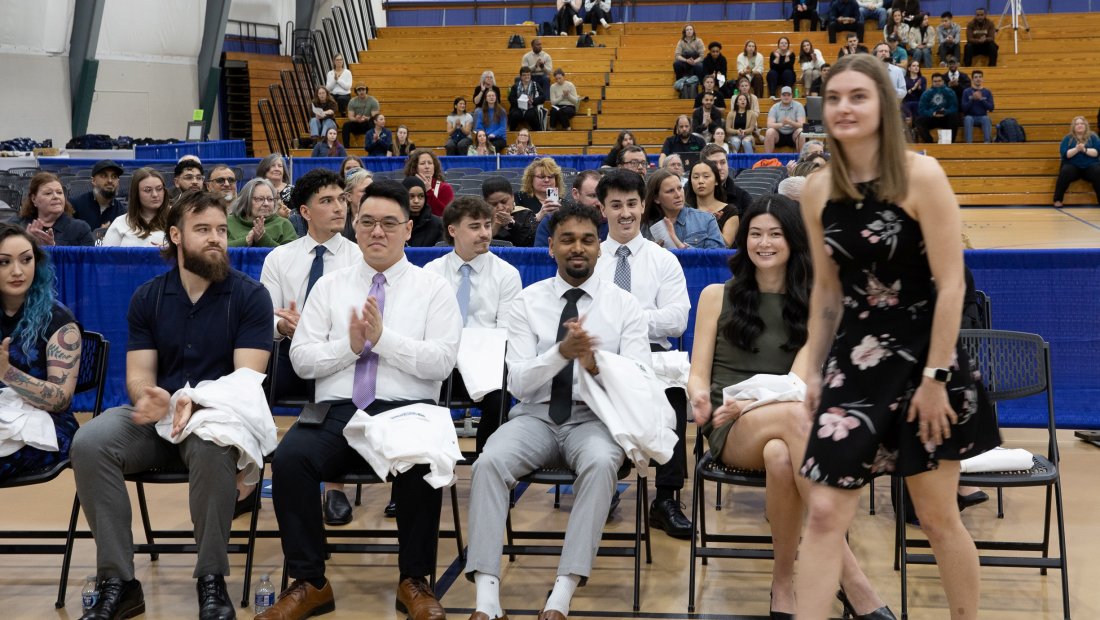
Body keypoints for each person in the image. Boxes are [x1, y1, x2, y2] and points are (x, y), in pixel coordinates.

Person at [795, 52, 999, 620]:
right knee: (824, 515)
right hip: (854, 361)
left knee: (936, 518)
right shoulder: (815, 190)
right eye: (833, 98)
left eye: (857, 96)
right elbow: (828, 294)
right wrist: (812, 369)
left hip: (924, 358)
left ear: (883, 105)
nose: (843, 108)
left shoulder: (921, 174)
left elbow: (953, 286)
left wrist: (935, 378)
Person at [257, 179, 461, 620]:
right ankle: (310, 581)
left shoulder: (434, 289)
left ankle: (415, 580)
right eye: (367, 222)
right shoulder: (330, 288)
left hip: (408, 410)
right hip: (337, 409)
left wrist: (383, 340)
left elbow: (442, 363)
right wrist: (348, 348)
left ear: (409, 229)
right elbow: (303, 360)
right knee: (291, 458)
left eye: (389, 223)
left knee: (422, 460)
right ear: (354, 226)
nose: (377, 232)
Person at [687, 194, 892, 619]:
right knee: (797, 420)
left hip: (779, 417)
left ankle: (783, 584)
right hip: (730, 424)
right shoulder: (714, 295)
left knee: (781, 456)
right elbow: (698, 372)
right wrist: (700, 397)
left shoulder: (817, 302)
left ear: (794, 241)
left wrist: (749, 403)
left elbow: (797, 382)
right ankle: (851, 580)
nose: (764, 243)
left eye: (775, 234)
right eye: (756, 234)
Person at [72, 190, 274, 620]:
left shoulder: (251, 296)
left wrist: (191, 401)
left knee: (211, 445)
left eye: (221, 229)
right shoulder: (148, 297)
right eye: (203, 230)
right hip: (159, 421)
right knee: (90, 442)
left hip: (217, 420)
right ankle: (120, 581)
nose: (217, 238)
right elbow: (139, 373)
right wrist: (148, 395)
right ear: (176, 236)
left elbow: (246, 380)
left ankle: (211, 579)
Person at [463, 202, 650, 620]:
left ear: (599, 248)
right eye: (567, 239)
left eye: (587, 239)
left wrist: (595, 365)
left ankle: (562, 594)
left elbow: (640, 380)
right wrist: (560, 354)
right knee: (488, 461)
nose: (577, 248)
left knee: (602, 463)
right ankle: (487, 600)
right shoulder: (527, 303)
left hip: (597, 420)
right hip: (535, 416)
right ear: (551, 247)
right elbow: (519, 384)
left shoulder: (625, 307)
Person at [592, 168, 693, 538]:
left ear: (643, 205)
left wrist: (627, 318)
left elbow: (677, 320)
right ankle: (603, 481)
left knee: (674, 396)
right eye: (615, 205)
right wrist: (631, 320)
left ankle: (665, 499)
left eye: (632, 204)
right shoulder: (591, 258)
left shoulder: (663, 260)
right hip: (602, 356)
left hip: (651, 356)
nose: (625, 213)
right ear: (602, 209)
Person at [261, 169, 363, 525]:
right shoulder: (279, 258)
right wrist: (282, 325)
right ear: (304, 212)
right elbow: (267, 315)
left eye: (342, 200)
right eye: (327, 201)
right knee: (249, 373)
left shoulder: (360, 257)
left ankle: (334, 487)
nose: (339, 208)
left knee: (335, 375)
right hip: (290, 352)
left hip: (343, 357)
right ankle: (245, 476)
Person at [424, 196, 522, 450]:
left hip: (486, 364)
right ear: (453, 230)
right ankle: (432, 458)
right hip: (442, 365)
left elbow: (506, 333)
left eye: (487, 225)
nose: (485, 233)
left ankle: (486, 461)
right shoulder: (431, 273)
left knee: (500, 392)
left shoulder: (506, 274)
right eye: (475, 226)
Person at [0, 224, 82, 483]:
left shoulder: (58, 319)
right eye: (4, 262)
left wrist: (6, 373)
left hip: (49, 424)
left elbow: (60, 400)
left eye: (26, 260)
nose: (17, 271)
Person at [642, 169, 724, 249]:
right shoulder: (644, 225)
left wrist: (679, 245)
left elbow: (717, 259)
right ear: (656, 198)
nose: (678, 195)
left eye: (680, 188)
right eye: (670, 191)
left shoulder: (706, 219)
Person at [17, 173, 94, 247]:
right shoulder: (17, 226)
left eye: (59, 192)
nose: (56, 196)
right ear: (34, 199)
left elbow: (89, 259)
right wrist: (25, 243)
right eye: (48, 193)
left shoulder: (80, 229)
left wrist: (53, 249)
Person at [533, 169, 607, 247]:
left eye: (602, 196)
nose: (599, 202)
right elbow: (540, 257)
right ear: (575, 194)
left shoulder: (612, 222)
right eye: (593, 196)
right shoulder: (551, 222)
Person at [103, 167, 169, 247]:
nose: (155, 194)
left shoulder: (176, 220)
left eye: (159, 189)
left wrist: (170, 251)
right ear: (136, 193)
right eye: (147, 190)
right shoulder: (120, 223)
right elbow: (106, 257)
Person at [227, 178, 298, 247]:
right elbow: (218, 251)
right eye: (260, 199)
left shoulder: (284, 224)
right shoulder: (228, 222)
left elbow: (291, 255)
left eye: (270, 199)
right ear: (246, 200)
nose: (266, 203)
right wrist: (245, 241)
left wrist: (263, 239)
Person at [685, 159, 737, 247]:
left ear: (716, 181)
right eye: (696, 177)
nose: (700, 181)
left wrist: (712, 222)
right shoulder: (685, 210)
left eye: (706, 176)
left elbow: (726, 245)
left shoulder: (730, 211)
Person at [1053, 116, 1100, 208]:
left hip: (1089, 166)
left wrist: (1084, 149)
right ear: (1073, 127)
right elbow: (1065, 154)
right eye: (1077, 124)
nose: (1079, 125)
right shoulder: (1067, 138)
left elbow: (1097, 153)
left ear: (1085, 125)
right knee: (1065, 171)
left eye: (1081, 124)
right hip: (1072, 166)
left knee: (1098, 171)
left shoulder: (1093, 137)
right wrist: (1077, 149)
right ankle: (1058, 199)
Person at [701, 143, 753, 223]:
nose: (719, 167)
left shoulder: (743, 198)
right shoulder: (689, 195)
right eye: (714, 163)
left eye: (723, 162)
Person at [483, 175, 538, 247]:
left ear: (512, 197)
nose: (500, 208)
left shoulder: (526, 214)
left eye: (504, 201)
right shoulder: (481, 218)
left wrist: (512, 225)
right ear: (486, 203)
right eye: (493, 204)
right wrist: (495, 227)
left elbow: (532, 243)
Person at [70, 159, 125, 230]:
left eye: (114, 177)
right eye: (104, 176)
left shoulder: (122, 212)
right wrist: (96, 236)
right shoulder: (75, 205)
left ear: (118, 182)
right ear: (93, 181)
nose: (110, 180)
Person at [515, 157, 567, 226]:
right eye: (542, 177)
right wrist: (540, 215)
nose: (546, 180)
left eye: (551, 177)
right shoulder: (519, 198)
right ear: (531, 179)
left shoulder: (564, 204)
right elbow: (516, 228)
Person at [404, 148, 454, 217]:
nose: (427, 167)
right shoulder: (407, 186)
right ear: (415, 168)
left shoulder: (444, 188)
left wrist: (429, 191)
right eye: (422, 163)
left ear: (434, 166)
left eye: (430, 163)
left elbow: (447, 216)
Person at [915, 73, 959, 143]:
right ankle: (929, 142)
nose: (937, 83)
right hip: (932, 118)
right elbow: (921, 110)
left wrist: (946, 111)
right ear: (932, 82)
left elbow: (954, 107)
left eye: (939, 81)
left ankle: (950, 142)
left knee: (954, 116)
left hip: (945, 118)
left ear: (943, 81)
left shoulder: (950, 92)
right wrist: (932, 113)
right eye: (935, 81)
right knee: (919, 120)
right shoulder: (926, 93)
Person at [402, 176, 444, 247]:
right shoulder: (395, 223)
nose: (416, 201)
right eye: (411, 196)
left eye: (421, 196)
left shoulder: (438, 225)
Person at [764, 87, 806, 153]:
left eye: (788, 95)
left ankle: (801, 160)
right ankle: (769, 160)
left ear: (792, 96)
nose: (786, 97)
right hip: (779, 134)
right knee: (769, 132)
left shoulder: (798, 106)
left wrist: (791, 122)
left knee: (801, 132)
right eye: (784, 95)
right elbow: (769, 125)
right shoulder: (774, 107)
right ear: (780, 96)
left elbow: (802, 125)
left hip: (793, 134)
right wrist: (782, 124)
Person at [960, 69, 994, 144]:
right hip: (970, 116)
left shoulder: (987, 92)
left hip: (982, 116)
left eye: (980, 77)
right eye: (975, 77)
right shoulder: (966, 91)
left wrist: (981, 99)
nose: (978, 79)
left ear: (982, 79)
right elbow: (964, 109)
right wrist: (972, 99)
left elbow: (991, 108)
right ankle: (969, 143)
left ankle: (987, 142)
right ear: (972, 79)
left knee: (986, 118)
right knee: (968, 118)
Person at [508, 66, 545, 132]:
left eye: (528, 75)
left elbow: (543, 97)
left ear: (530, 75)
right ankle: (511, 133)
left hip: (531, 107)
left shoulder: (535, 85)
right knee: (515, 115)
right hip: (518, 108)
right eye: (524, 75)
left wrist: (533, 101)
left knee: (531, 115)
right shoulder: (515, 86)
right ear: (521, 76)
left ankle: (538, 133)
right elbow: (511, 98)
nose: (526, 76)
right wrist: (520, 102)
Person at [342, 168, 374, 241]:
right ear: (349, 197)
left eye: (373, 190)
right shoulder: (339, 221)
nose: (372, 194)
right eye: (365, 191)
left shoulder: (384, 217)